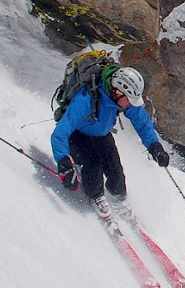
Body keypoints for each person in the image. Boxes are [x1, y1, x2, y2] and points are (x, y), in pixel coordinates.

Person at [51, 65, 169, 221]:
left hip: (101, 135)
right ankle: (96, 196)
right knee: (93, 163)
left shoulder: (122, 100)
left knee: (115, 168)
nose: (129, 104)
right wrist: (64, 164)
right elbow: (61, 132)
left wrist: (155, 145)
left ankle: (118, 198)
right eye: (128, 99)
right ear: (117, 91)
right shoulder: (86, 99)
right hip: (77, 135)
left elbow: (141, 121)